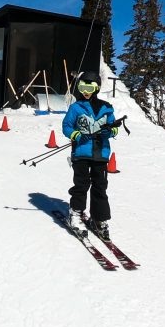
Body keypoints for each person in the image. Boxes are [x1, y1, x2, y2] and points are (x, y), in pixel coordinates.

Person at [61, 71, 118, 238]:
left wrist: (110, 130)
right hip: (81, 152)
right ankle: (76, 213)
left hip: (100, 153)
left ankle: (99, 218)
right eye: (82, 87)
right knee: (81, 184)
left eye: (89, 87)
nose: (85, 91)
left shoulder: (106, 107)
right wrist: (76, 135)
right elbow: (67, 126)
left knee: (100, 186)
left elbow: (113, 126)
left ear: (97, 88)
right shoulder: (76, 107)